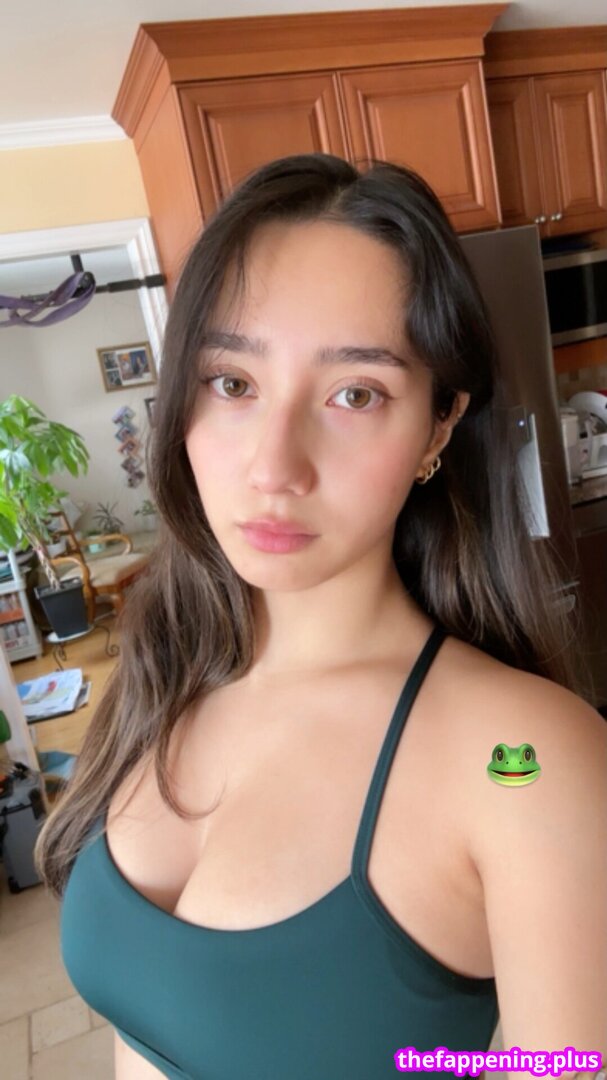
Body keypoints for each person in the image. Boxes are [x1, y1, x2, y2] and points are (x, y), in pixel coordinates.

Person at [35, 154, 606, 1080]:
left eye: (354, 394)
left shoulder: (526, 759)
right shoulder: (164, 672)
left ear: (436, 426)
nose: (273, 467)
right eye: (231, 382)